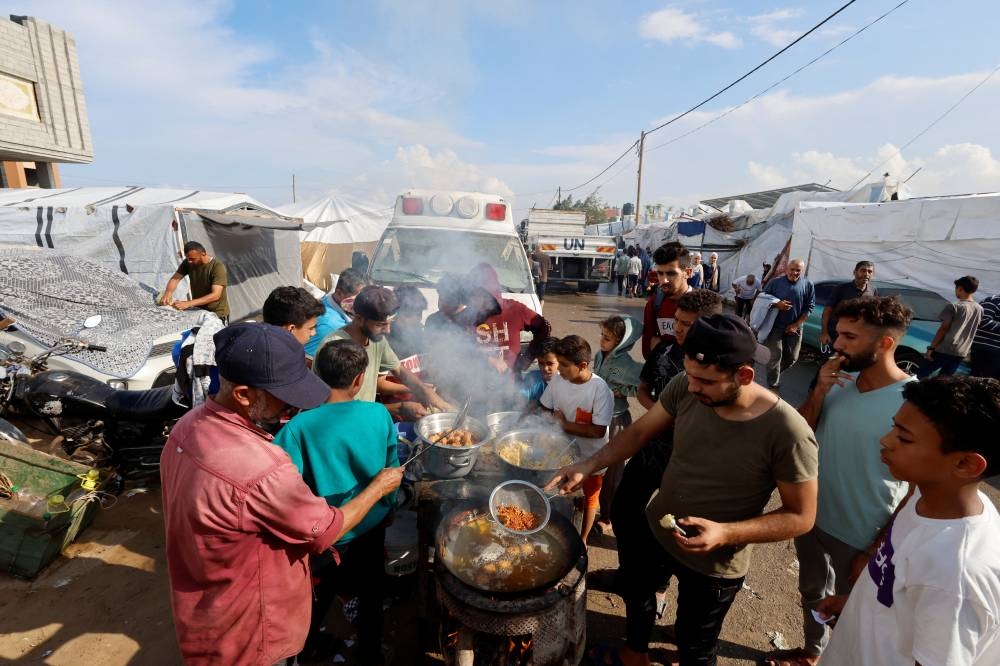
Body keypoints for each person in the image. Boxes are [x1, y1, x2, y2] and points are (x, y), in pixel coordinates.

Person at [548, 314, 818, 666]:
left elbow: (802, 516)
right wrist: (588, 465)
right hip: (660, 530)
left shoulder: (788, 432)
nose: (691, 388)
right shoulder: (685, 385)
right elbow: (639, 432)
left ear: (744, 376)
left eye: (705, 381)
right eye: (690, 375)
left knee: (695, 645)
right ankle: (635, 654)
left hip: (715, 561)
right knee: (638, 596)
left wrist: (726, 532)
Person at [160, 323, 403, 665]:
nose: (293, 404)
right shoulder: (260, 466)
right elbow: (324, 530)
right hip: (253, 631)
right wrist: (379, 487)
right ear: (243, 394)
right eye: (284, 393)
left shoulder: (185, 430)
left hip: (205, 612)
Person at [765, 296, 914, 666]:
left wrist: (878, 548)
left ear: (884, 344)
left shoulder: (913, 401)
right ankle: (813, 652)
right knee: (813, 592)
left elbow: (917, 489)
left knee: (860, 612)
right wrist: (818, 392)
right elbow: (801, 434)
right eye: (837, 334)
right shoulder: (837, 381)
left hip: (863, 533)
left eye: (849, 336)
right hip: (810, 516)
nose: (837, 344)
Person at [817, 375, 1000, 666]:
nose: (886, 440)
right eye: (894, 426)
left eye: (904, 437)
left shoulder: (956, 576)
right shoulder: (929, 497)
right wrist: (857, 607)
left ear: (966, 464)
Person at [274, 338, 399, 664]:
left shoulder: (299, 426)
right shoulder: (379, 414)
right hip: (370, 525)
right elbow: (392, 469)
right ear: (360, 380)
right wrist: (389, 507)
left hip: (325, 536)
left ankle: (305, 651)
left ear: (314, 375)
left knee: (317, 597)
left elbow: (285, 487)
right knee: (371, 593)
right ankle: (370, 653)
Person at [610, 289, 722, 622]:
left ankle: (657, 589)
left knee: (672, 528)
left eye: (688, 324)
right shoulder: (666, 349)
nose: (680, 329)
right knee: (624, 510)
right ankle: (629, 576)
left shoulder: (719, 364)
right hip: (650, 449)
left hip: (688, 462)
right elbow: (644, 390)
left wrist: (674, 417)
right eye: (677, 321)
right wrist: (662, 411)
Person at [315, 285, 451, 419]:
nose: (388, 331)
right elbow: (338, 409)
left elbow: (399, 370)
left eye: (390, 323)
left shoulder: (377, 340)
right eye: (380, 325)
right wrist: (399, 408)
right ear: (359, 319)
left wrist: (425, 391)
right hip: (342, 424)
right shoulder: (335, 348)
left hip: (367, 418)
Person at [541, 335, 615, 544]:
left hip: (592, 457)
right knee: (563, 493)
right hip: (560, 453)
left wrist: (564, 425)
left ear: (582, 365)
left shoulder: (599, 390)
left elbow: (598, 431)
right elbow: (545, 407)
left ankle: (582, 540)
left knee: (590, 498)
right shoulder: (558, 379)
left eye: (564, 365)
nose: (559, 369)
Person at [593, 315, 643, 534]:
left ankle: (607, 516)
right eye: (602, 335)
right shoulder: (598, 355)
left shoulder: (626, 365)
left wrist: (623, 391)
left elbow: (643, 386)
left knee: (613, 471)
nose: (602, 340)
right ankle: (592, 501)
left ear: (621, 341)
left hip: (616, 421)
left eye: (608, 337)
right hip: (597, 417)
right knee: (594, 461)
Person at [462, 262, 551, 373]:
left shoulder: (514, 310)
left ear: (490, 293)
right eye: (472, 294)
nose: (474, 299)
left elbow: (544, 327)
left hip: (511, 383)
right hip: (476, 383)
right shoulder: (466, 316)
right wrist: (487, 359)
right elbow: (458, 346)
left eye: (479, 294)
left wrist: (528, 357)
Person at [763, 259, 815, 390]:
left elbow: (809, 307)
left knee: (792, 358)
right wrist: (776, 303)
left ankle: (774, 372)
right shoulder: (775, 283)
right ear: (787, 268)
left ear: (802, 271)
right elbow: (761, 299)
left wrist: (796, 325)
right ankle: (772, 385)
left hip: (795, 327)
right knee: (776, 355)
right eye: (792, 269)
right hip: (774, 326)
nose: (795, 272)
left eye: (798, 270)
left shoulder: (808, 285)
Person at [918, 275, 983, 378]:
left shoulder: (954, 306)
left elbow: (944, 328)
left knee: (922, 374)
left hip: (945, 348)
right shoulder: (979, 309)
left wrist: (931, 348)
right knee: (944, 380)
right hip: (961, 352)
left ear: (960, 288)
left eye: (956, 288)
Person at [641, 242, 692, 359]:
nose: (663, 280)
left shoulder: (701, 307)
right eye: (660, 273)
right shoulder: (654, 304)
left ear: (687, 273)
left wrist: (661, 348)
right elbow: (647, 351)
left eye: (671, 274)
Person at [158, 241, 230, 322]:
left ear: (203, 254)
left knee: (219, 335)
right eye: (187, 258)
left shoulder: (217, 267)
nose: (189, 261)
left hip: (217, 313)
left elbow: (216, 295)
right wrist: (168, 292)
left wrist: (188, 303)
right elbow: (175, 279)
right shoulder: (188, 262)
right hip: (199, 311)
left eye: (192, 259)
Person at [305, 268, 367, 360]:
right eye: (357, 299)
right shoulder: (332, 325)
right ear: (338, 293)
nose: (363, 303)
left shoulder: (329, 301)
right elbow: (309, 360)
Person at [819, 261, 877, 350]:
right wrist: (824, 333)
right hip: (837, 335)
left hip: (857, 336)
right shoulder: (841, 289)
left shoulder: (873, 290)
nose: (866, 274)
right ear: (854, 272)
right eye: (863, 270)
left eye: (870, 272)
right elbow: (827, 311)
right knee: (833, 361)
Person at [386, 285, 427, 359]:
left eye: (419, 314)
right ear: (395, 315)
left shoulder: (421, 335)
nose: (417, 319)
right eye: (408, 315)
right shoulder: (385, 339)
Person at [520, 336, 559, 407]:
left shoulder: (567, 382)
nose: (545, 368)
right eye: (541, 363)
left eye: (550, 363)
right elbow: (520, 399)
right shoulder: (532, 378)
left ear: (560, 361)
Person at [971, 291, 1000, 379]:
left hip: (994, 351)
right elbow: (983, 320)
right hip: (988, 350)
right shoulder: (994, 300)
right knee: (982, 382)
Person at [533, 244, 549, 309]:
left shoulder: (535, 256)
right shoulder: (547, 256)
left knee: (536, 294)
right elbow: (549, 266)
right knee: (542, 297)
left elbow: (532, 265)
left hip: (536, 278)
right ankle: (540, 310)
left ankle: (536, 308)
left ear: (537, 249)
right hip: (544, 278)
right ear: (541, 249)